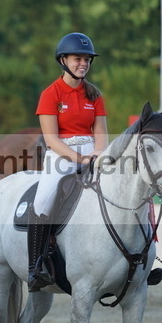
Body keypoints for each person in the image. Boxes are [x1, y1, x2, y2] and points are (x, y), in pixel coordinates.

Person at [27, 32, 108, 292]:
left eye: (87, 60)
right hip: (61, 154)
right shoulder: (50, 94)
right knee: (42, 201)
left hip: (92, 154)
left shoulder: (94, 94)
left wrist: (97, 154)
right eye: (77, 59)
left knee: (125, 186)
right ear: (63, 60)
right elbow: (51, 140)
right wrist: (80, 159)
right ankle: (35, 267)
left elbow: (101, 132)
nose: (83, 64)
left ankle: (141, 260)